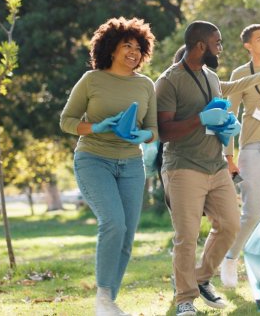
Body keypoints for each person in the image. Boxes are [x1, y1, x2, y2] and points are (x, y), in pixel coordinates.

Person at [155, 20, 260, 316]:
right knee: (187, 235)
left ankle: (201, 277)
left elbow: (217, 114)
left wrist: (224, 125)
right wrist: (200, 119)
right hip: (183, 166)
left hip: (215, 165)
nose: (221, 47)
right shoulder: (169, 81)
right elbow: (163, 131)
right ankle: (185, 299)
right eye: (217, 42)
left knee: (230, 225)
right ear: (201, 45)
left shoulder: (212, 77)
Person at [59, 17, 158, 316]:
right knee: (113, 222)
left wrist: (142, 135)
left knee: (127, 236)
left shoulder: (146, 85)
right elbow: (67, 121)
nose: (133, 51)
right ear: (111, 49)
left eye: (138, 47)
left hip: (130, 163)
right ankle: (103, 297)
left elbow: (153, 129)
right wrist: (98, 126)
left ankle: (107, 303)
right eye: (126, 45)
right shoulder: (92, 80)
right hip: (94, 160)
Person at [220, 24, 260, 288]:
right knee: (253, 213)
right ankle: (231, 257)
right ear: (248, 45)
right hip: (252, 151)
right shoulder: (240, 74)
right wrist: (228, 156)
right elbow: (229, 117)